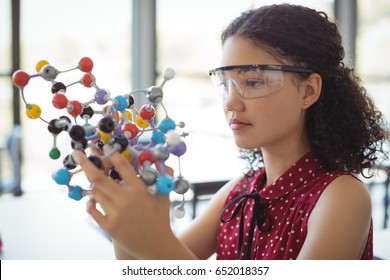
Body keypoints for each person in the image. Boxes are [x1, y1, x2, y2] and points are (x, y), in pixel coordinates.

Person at [72, 4, 388, 260]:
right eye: (225, 84)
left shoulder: (342, 196)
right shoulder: (238, 191)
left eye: (252, 82)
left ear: (308, 91)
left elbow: (163, 256)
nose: (231, 102)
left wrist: (153, 238)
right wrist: (127, 223)